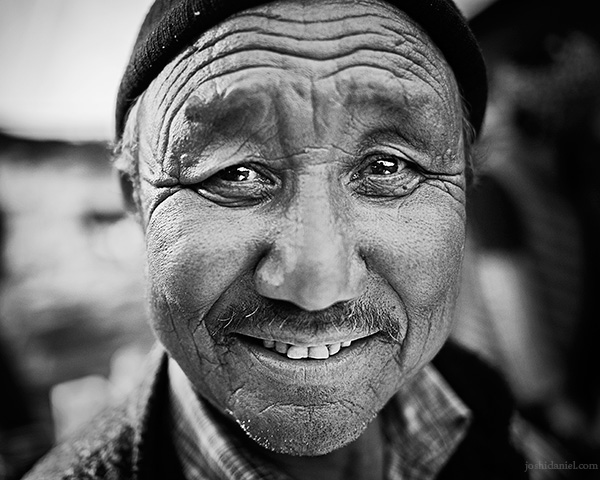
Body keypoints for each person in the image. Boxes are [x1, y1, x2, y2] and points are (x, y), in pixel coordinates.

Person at [22, 0, 532, 478]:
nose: (316, 285)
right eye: (236, 174)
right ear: (136, 200)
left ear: (466, 183)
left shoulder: (476, 397)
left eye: (386, 167)